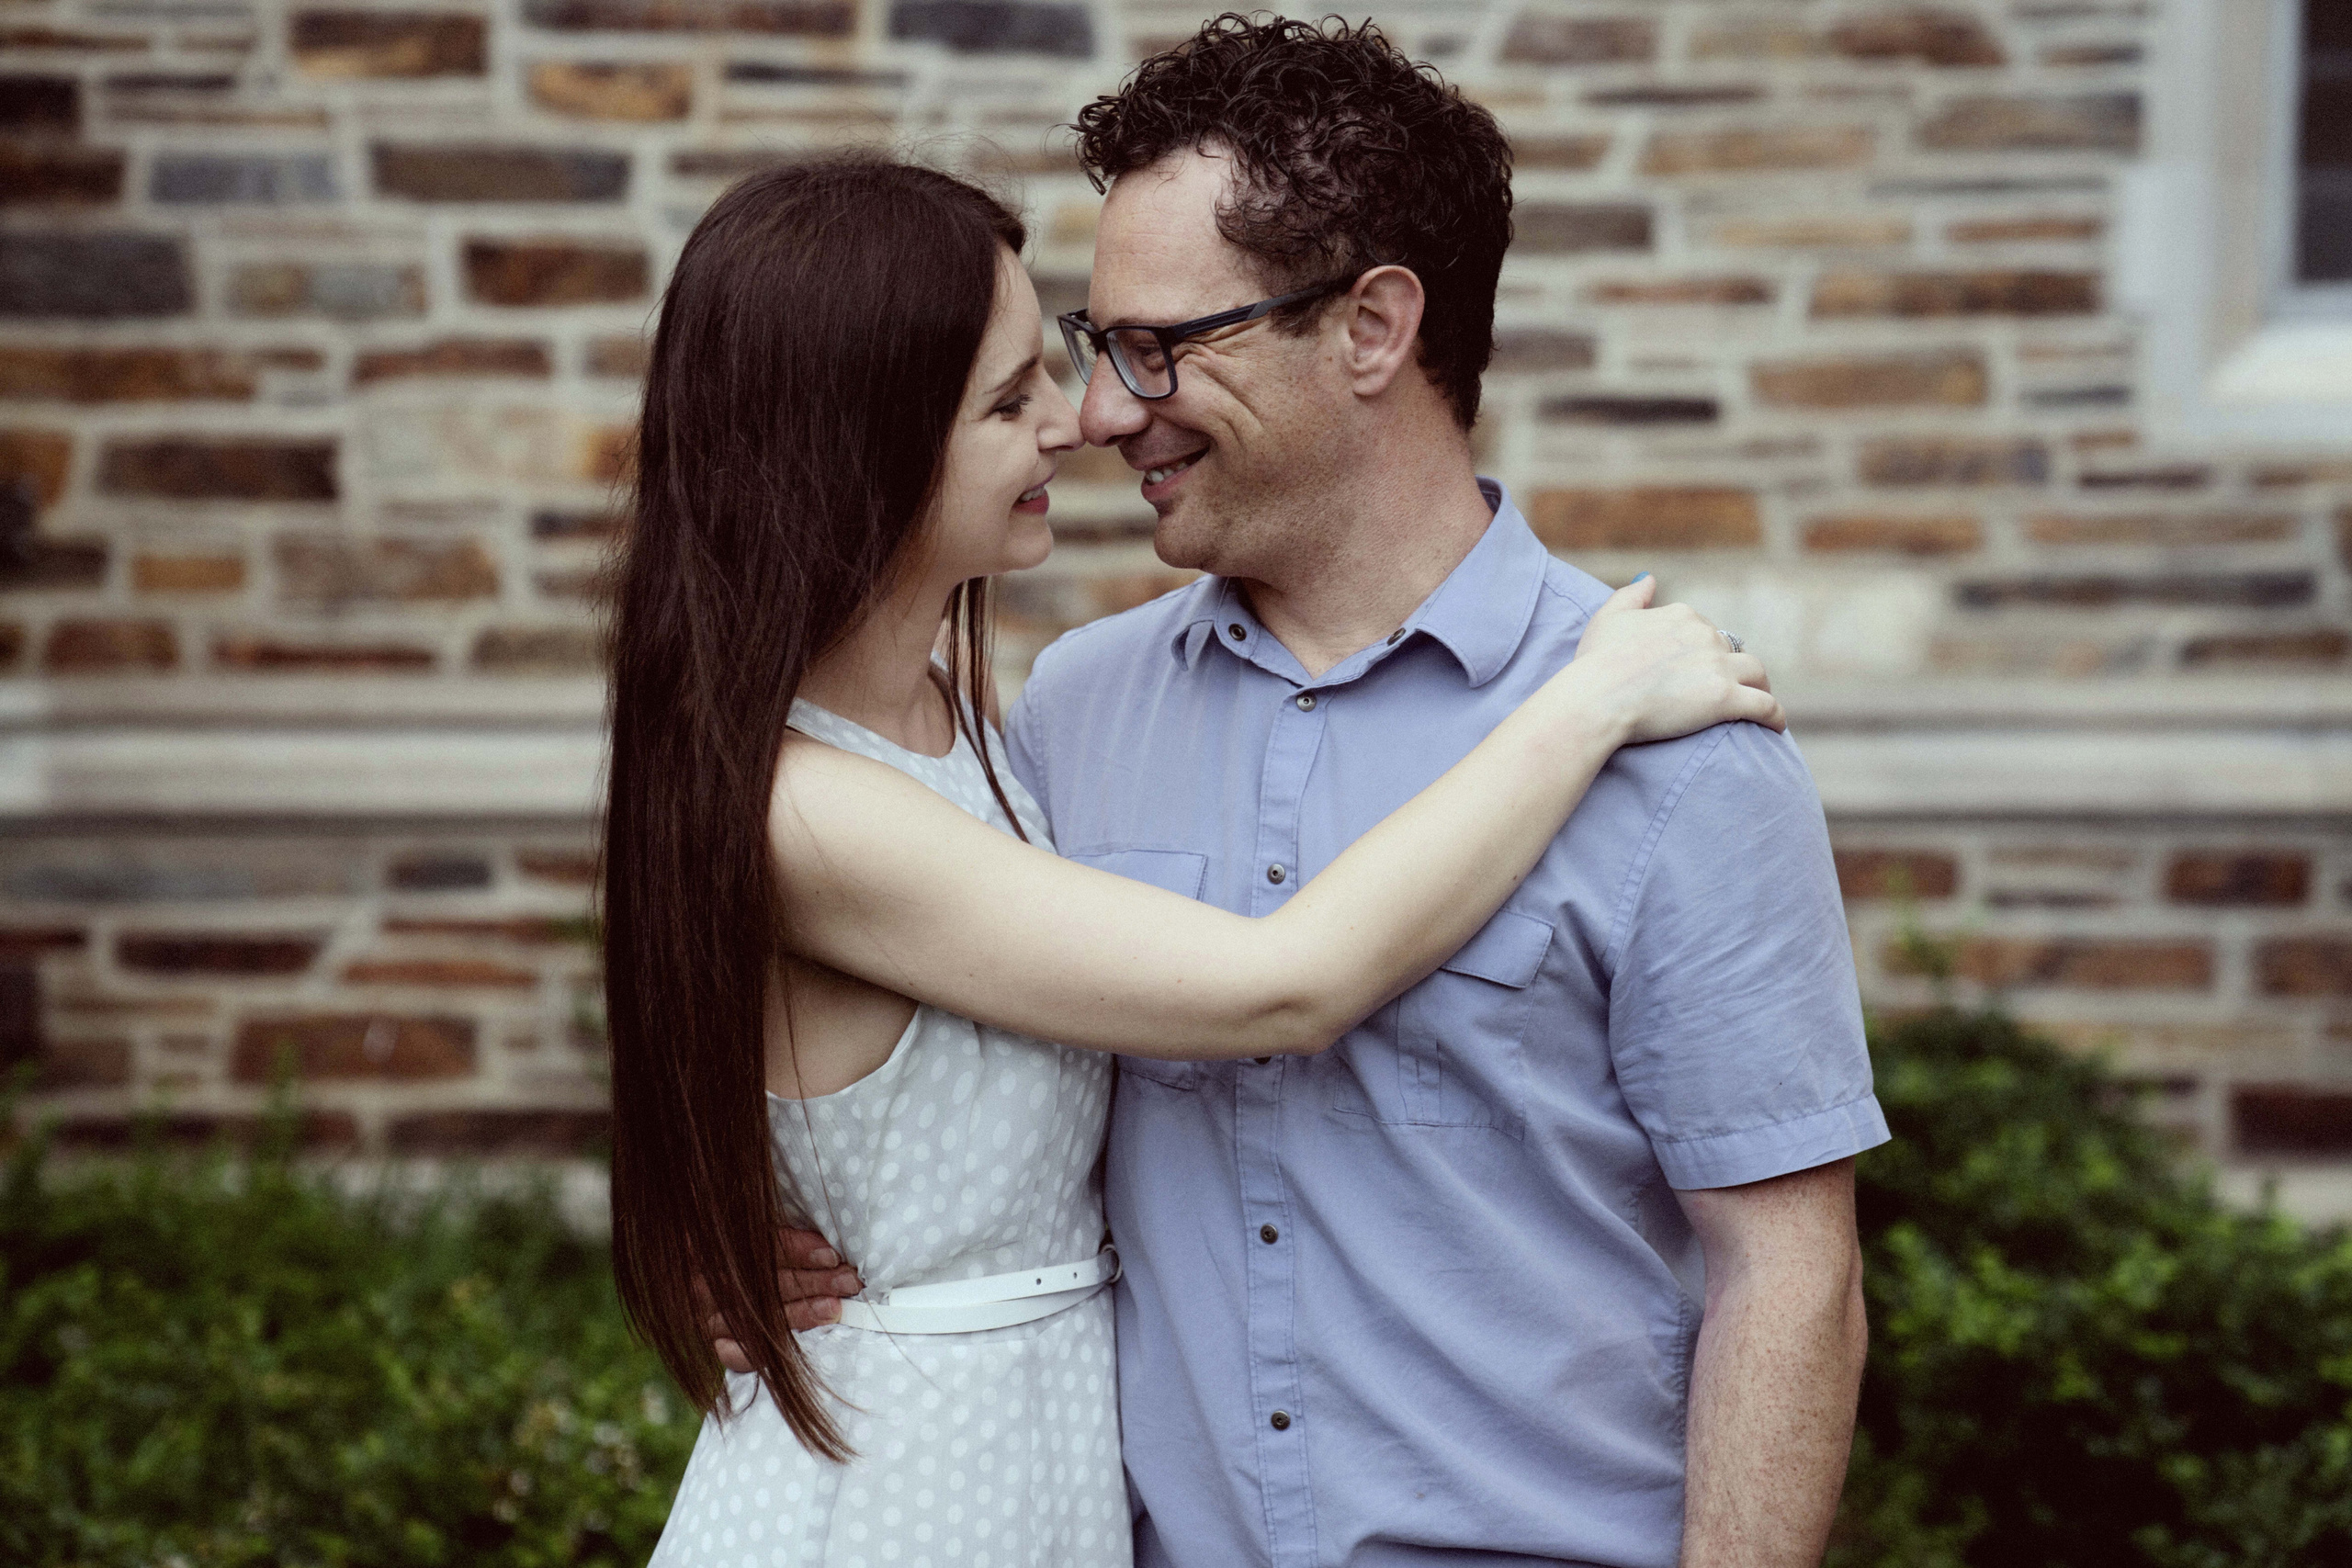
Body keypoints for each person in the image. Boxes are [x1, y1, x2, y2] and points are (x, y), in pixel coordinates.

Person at [761, 16, 1892, 1568]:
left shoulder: (1684, 743)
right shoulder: (1073, 717)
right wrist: (753, 1234)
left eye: (1162, 346)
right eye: (1101, 345)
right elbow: (906, 1038)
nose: (1101, 412)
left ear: (1371, 329)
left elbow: (1791, 1278)